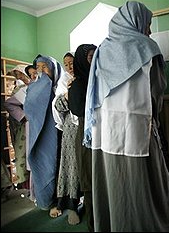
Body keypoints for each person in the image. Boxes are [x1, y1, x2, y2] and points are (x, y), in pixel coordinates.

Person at [83, 1, 169, 232]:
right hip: (136, 131)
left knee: (114, 189)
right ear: (137, 22)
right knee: (151, 186)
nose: (150, 30)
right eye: (148, 24)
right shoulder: (147, 47)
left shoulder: (101, 52)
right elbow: (156, 91)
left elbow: (94, 93)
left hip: (104, 135)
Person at [23, 55, 64, 210]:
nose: (41, 71)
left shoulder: (61, 87)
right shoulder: (33, 88)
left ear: (54, 69)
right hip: (41, 136)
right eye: (38, 67)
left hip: (60, 135)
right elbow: (29, 109)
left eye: (45, 67)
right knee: (44, 165)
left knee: (60, 167)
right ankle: (46, 201)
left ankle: (62, 201)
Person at [68, 43, 97, 232]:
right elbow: (77, 110)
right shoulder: (78, 84)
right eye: (89, 57)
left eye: (96, 56)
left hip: (101, 134)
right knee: (89, 179)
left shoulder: (98, 79)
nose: (93, 60)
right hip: (86, 136)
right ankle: (94, 223)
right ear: (81, 59)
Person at [49, 51, 81, 225]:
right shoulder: (63, 82)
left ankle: (91, 204)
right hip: (71, 129)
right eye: (66, 64)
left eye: (72, 63)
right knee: (71, 166)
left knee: (88, 165)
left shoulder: (90, 78)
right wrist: (69, 93)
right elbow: (59, 107)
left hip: (90, 128)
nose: (69, 67)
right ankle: (71, 206)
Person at [4, 65, 32, 191]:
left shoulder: (38, 86)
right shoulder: (20, 90)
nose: (19, 77)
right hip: (25, 127)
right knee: (23, 155)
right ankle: (26, 186)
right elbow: (9, 104)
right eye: (17, 76)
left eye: (20, 74)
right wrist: (24, 116)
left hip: (38, 125)